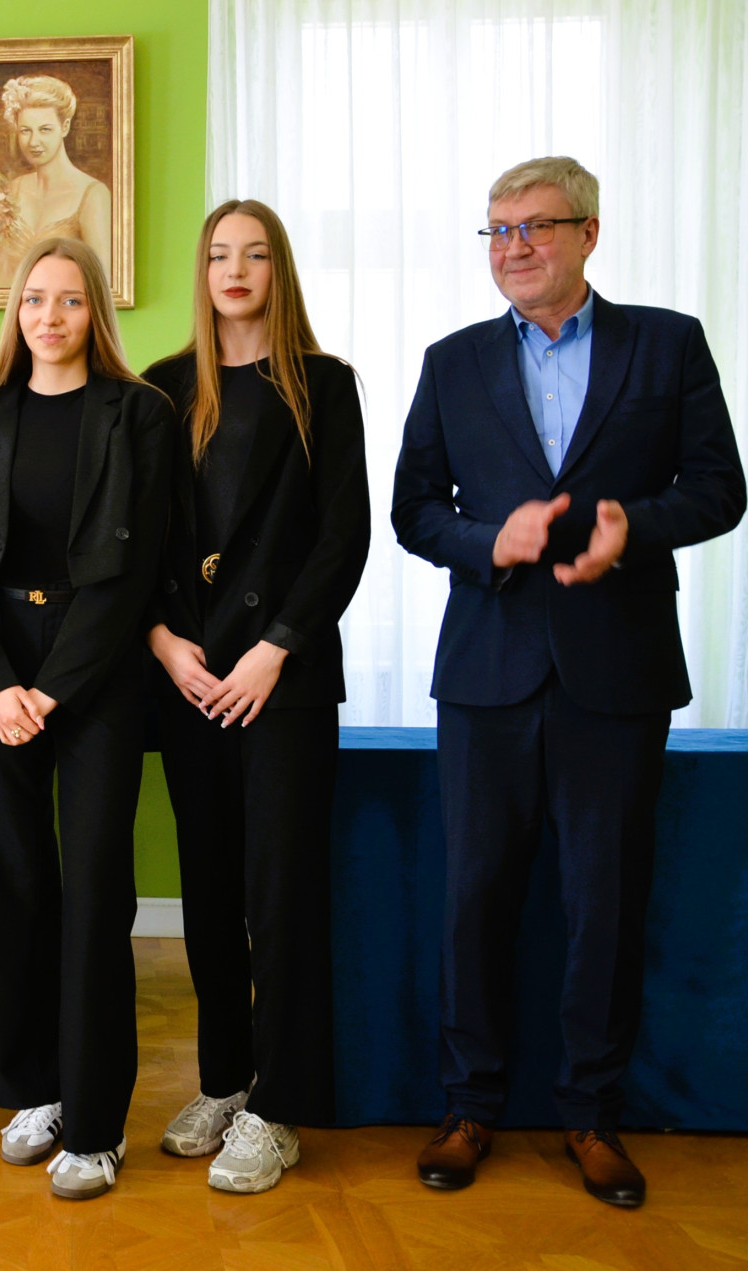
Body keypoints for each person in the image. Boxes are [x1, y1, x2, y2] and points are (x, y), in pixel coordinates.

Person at [392, 156, 744, 1207]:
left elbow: (719, 488)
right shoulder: (452, 362)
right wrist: (487, 541)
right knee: (475, 900)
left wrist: (639, 525)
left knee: (606, 901)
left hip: (617, 669)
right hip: (487, 669)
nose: (514, 247)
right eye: (498, 229)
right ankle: (469, 1105)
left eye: (536, 226)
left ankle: (592, 1114)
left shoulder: (668, 344)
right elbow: (414, 510)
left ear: (589, 232)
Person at [143, 199, 369, 1193]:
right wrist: (164, 643)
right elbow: (136, 538)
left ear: (279, 270)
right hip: (190, 675)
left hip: (285, 676)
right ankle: (224, 1080)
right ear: (202, 271)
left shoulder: (326, 384)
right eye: (219, 254)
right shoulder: (159, 389)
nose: (235, 269)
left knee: (280, 895)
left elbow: (344, 535)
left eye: (256, 253)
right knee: (209, 893)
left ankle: (279, 1105)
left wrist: (276, 646)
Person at [0, 237, 172, 1199]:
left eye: (70, 300)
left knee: (95, 893)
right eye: (35, 299)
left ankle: (96, 1119)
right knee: (11, 886)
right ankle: (34, 1088)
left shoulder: (139, 413)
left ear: (95, 312)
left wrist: (56, 687)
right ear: (16, 312)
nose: (50, 316)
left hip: (97, 670)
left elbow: (138, 567)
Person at [0, 75, 113, 289]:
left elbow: (102, 285)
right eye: (26, 131)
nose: (34, 142)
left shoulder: (93, 194)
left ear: (65, 127)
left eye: (45, 130)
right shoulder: (14, 190)